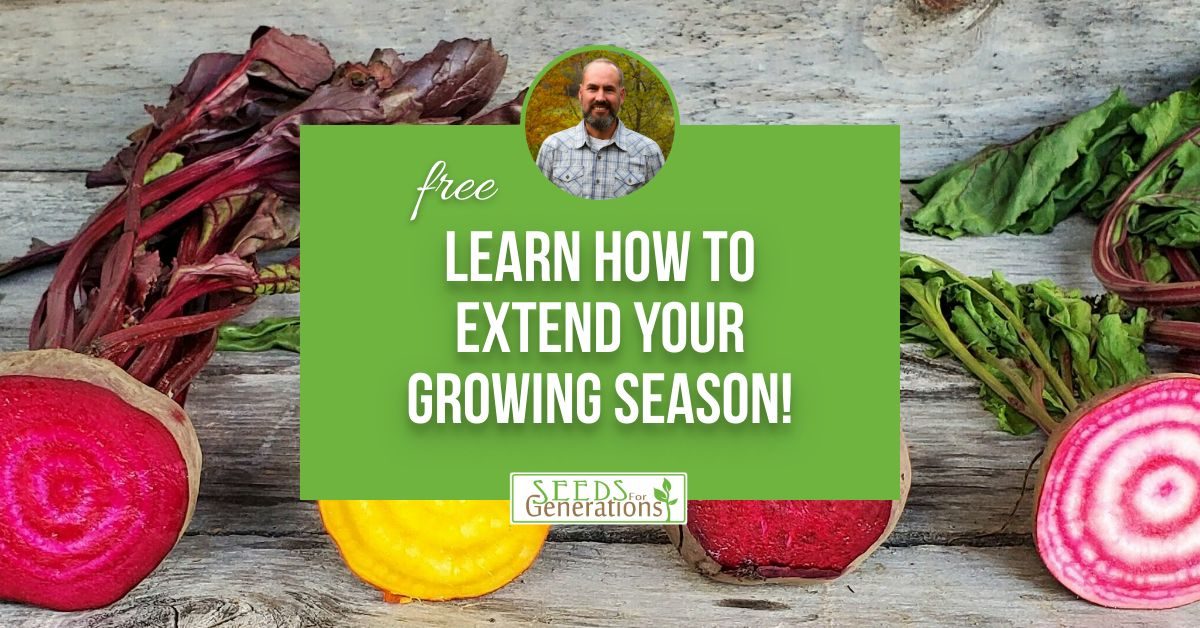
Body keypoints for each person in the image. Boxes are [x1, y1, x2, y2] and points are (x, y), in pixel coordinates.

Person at [536, 58, 665, 200]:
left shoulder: (649, 152)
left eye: (609, 90)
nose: (600, 97)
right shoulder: (552, 148)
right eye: (593, 88)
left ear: (621, 96)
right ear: (580, 94)